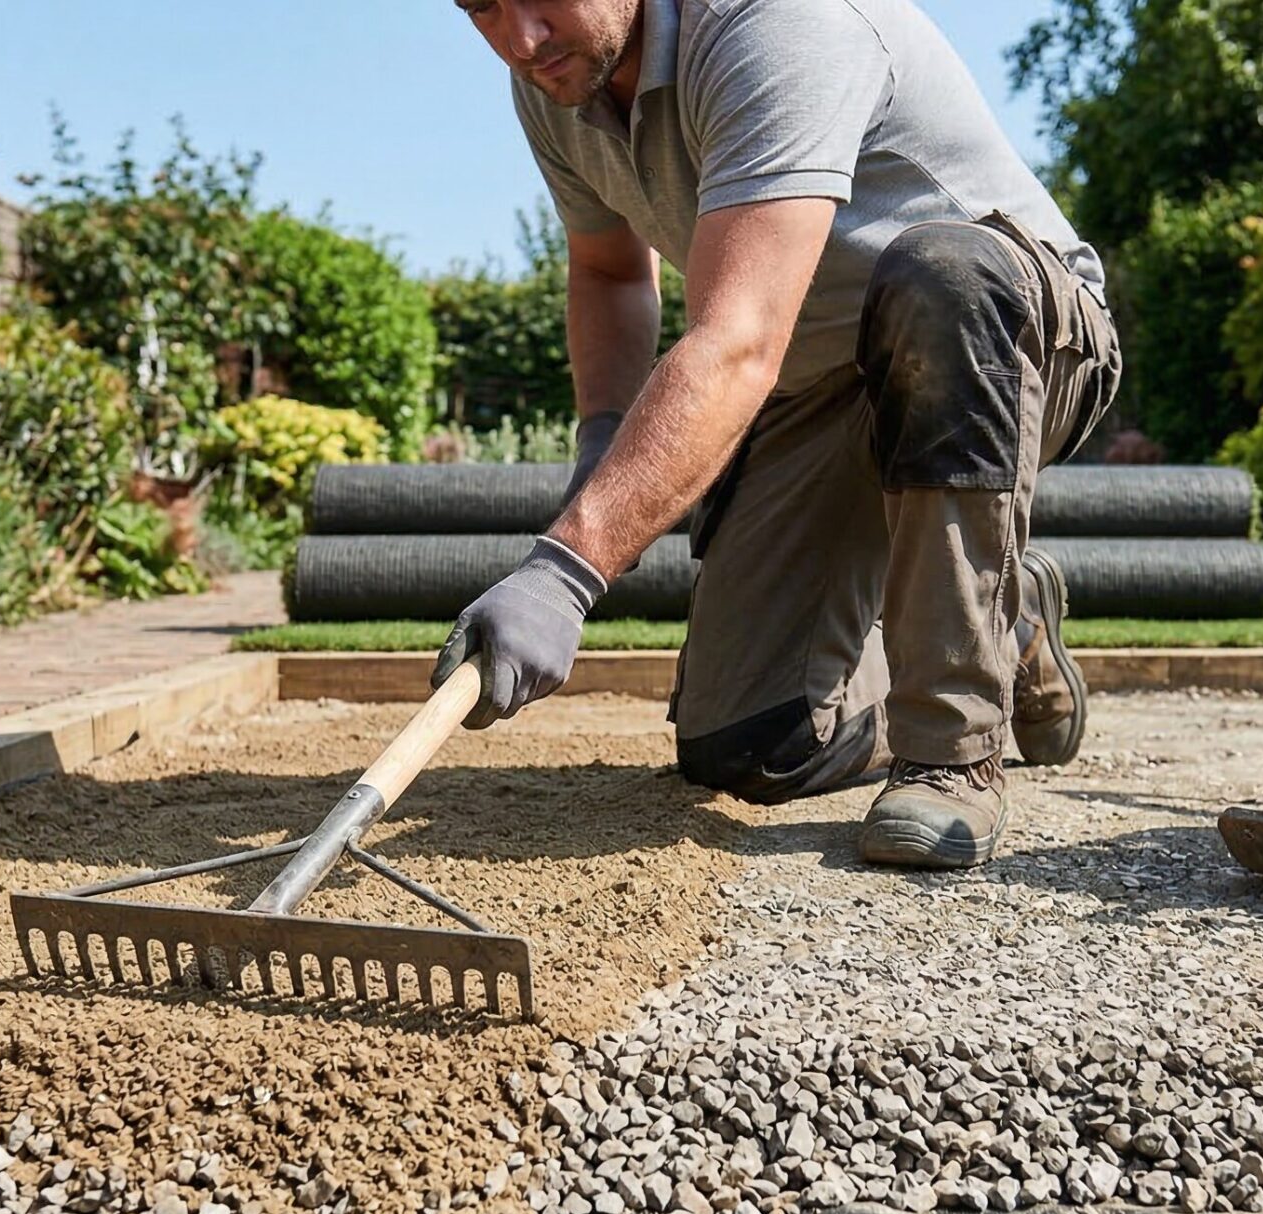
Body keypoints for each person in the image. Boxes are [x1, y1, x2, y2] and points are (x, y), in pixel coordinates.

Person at [438, 0, 1122, 869]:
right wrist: (601, 443)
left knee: (942, 270)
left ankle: (951, 755)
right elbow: (610, 271)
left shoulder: (777, 21)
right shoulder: (555, 80)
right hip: (817, 379)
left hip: (1013, 336)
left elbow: (737, 342)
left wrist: (564, 573)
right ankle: (1008, 617)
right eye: (482, 8)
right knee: (749, 742)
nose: (520, 39)